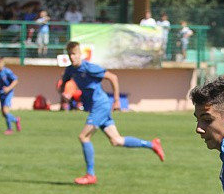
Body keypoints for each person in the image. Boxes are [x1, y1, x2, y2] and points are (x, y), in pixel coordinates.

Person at [58, 41, 165, 185]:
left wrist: (116, 100)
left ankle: (90, 175)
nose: (72, 57)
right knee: (116, 140)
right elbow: (63, 84)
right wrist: (65, 94)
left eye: (74, 54)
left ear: (80, 54)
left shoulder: (89, 67)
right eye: (69, 54)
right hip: (95, 107)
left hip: (100, 105)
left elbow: (113, 77)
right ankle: (152, 145)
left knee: (83, 137)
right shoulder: (70, 70)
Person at [0, 57, 20, 135]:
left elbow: (15, 80)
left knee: (5, 110)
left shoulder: (7, 72)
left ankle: (10, 129)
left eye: (1, 63)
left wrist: (8, 88)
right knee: (3, 113)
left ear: (3, 63)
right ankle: (16, 120)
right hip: (0, 93)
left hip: (8, 93)